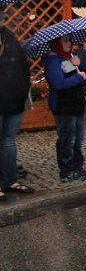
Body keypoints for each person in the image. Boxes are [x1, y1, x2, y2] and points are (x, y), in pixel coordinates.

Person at [44, 35, 86, 183]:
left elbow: (84, 68)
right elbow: (58, 83)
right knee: (67, 138)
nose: (69, 43)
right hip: (64, 106)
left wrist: (80, 63)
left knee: (78, 137)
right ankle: (66, 169)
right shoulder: (53, 61)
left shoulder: (70, 56)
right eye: (65, 41)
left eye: (70, 40)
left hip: (77, 104)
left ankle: (76, 165)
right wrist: (79, 78)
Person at [0, 22, 35, 201]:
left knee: (8, 142)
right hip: (7, 97)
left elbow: (22, 66)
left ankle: (10, 180)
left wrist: (22, 91)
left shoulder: (9, 37)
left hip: (13, 99)